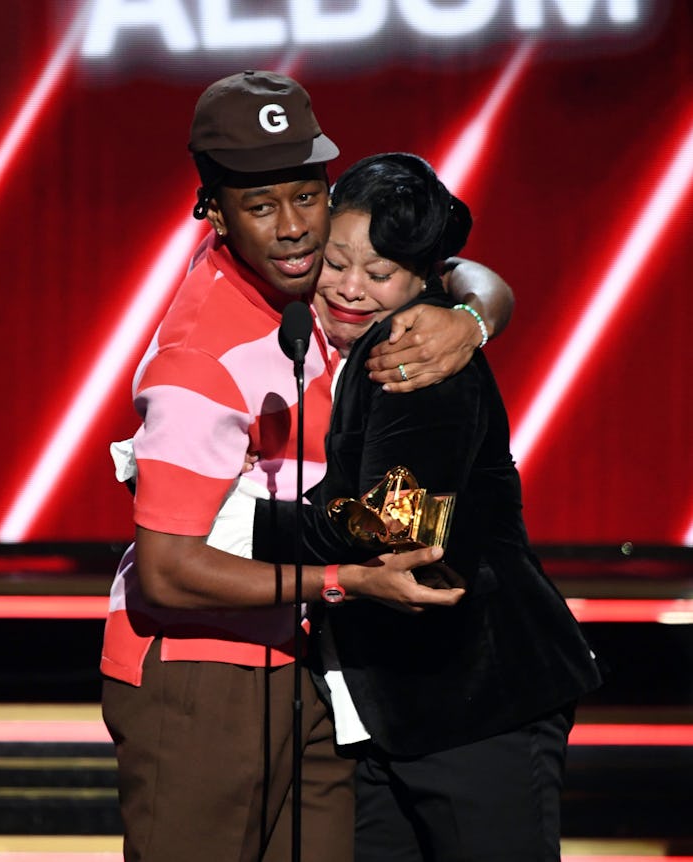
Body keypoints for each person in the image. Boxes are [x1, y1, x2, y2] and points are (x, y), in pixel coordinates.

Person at [101, 72, 515, 862]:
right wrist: (349, 582)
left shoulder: (313, 293)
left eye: (308, 196)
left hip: (312, 666)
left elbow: (456, 268)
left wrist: (471, 316)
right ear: (214, 213)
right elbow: (166, 571)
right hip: (202, 674)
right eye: (261, 207)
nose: (294, 230)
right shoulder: (204, 357)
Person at [250, 153, 603, 861]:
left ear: (421, 280)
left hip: (477, 704)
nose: (349, 288)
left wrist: (238, 526)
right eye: (336, 262)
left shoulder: (416, 352)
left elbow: (396, 526)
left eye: (378, 274)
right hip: (392, 712)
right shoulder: (315, 328)